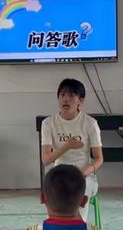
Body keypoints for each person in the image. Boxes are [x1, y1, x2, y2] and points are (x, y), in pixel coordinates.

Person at [41, 78, 104, 222]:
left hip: (84, 174)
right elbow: (46, 160)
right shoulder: (48, 123)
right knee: (52, 187)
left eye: (71, 96)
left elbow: (99, 158)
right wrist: (66, 146)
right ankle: (55, 227)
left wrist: (81, 174)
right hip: (59, 173)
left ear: (80, 101)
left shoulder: (90, 123)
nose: (66, 100)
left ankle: (79, 227)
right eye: (62, 95)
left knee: (82, 186)